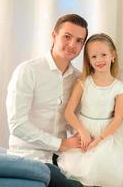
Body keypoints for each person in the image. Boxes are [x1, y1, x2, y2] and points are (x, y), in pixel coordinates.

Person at [57, 33, 123, 187]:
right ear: (88, 60)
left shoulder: (118, 88)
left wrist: (99, 140)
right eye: (93, 57)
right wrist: (82, 131)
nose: (99, 60)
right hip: (85, 133)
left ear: (112, 55)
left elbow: (118, 118)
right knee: (84, 175)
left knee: (111, 174)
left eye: (103, 55)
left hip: (108, 135)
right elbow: (68, 112)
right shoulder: (83, 83)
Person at [6, 14, 88, 187]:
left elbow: (75, 121)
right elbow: (17, 124)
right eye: (67, 37)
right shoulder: (28, 71)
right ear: (54, 35)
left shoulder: (79, 79)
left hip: (62, 158)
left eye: (79, 41)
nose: (72, 44)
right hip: (29, 157)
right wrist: (61, 144)